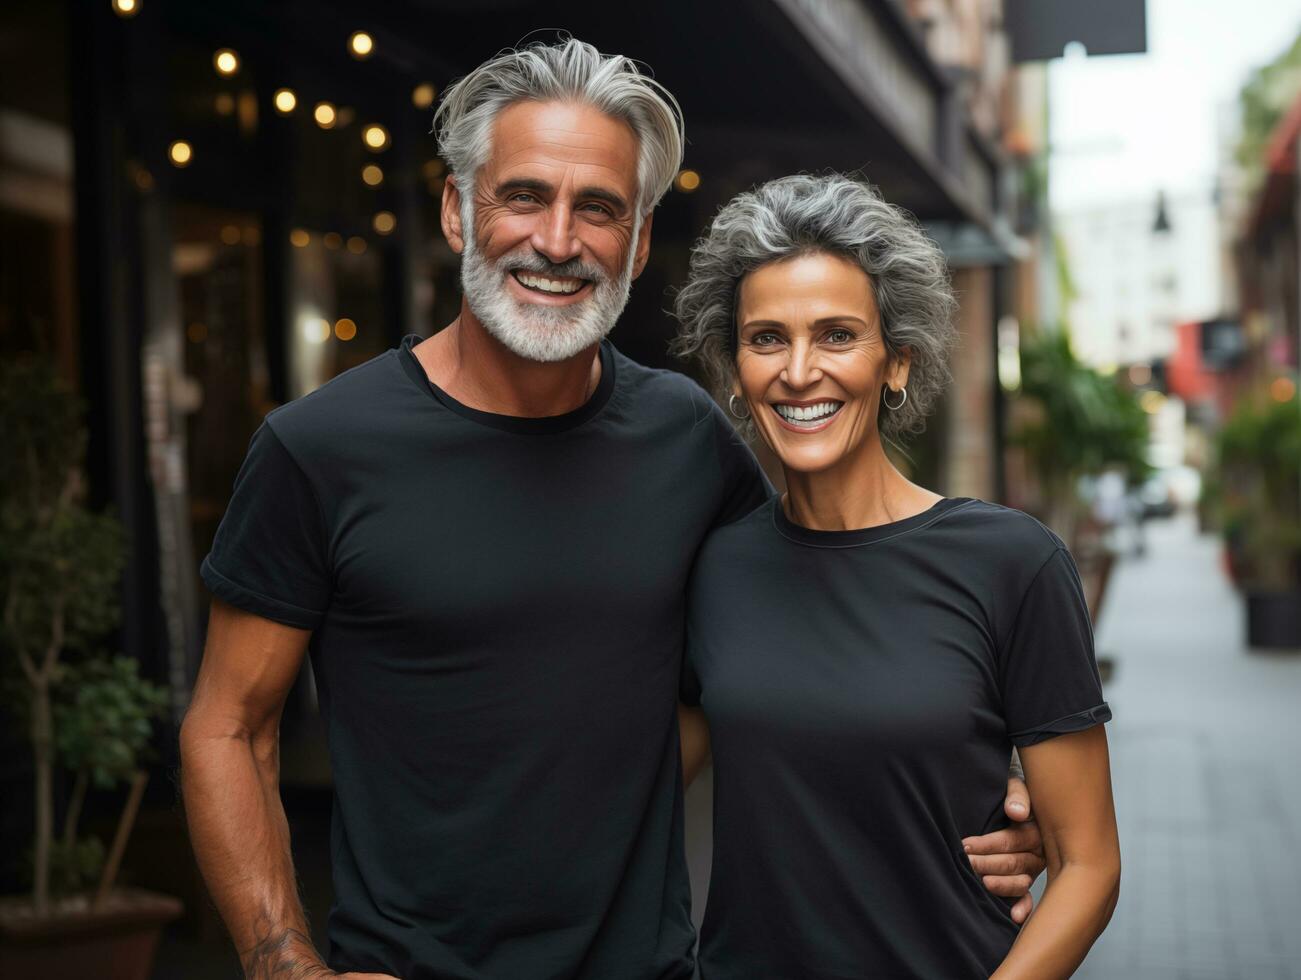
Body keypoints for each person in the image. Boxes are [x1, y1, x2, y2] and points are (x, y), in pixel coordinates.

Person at [180, 40, 1046, 980]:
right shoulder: (319, 450)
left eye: (598, 207)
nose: (557, 241)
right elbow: (228, 727)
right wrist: (282, 964)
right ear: (456, 212)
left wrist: (979, 777)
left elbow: (816, 612)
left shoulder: (684, 434)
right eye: (523, 196)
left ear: (636, 242)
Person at [673, 173, 1121, 979]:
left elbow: (1088, 869)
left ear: (897, 363)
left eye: (837, 335)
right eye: (766, 338)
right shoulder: (714, 566)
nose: (798, 370)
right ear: (735, 370)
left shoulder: (1009, 562)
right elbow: (626, 784)